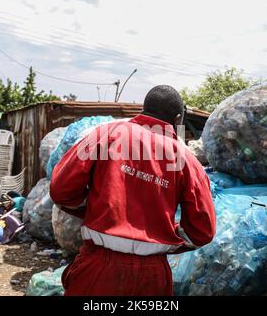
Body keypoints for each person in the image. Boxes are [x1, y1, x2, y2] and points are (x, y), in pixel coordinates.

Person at [50, 85, 216, 296]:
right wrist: (165, 234)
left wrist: (96, 207)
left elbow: (60, 190)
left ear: (143, 110)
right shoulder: (187, 161)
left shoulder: (104, 134)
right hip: (153, 277)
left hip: (99, 268)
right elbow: (203, 231)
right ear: (177, 120)